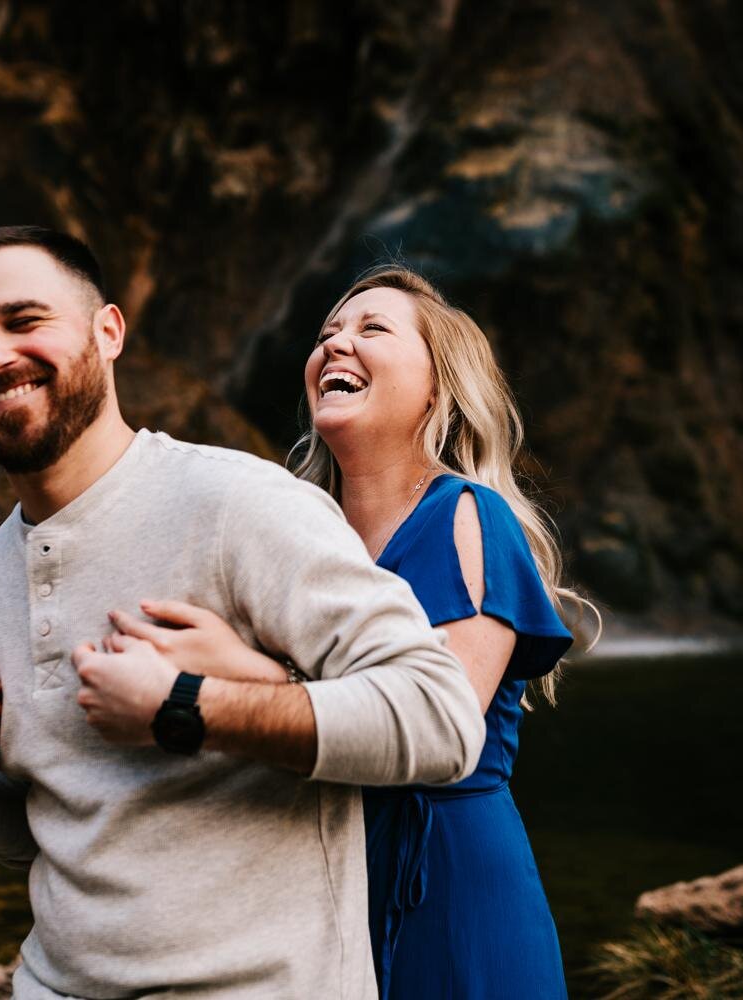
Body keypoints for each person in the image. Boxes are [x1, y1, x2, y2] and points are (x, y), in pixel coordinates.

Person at [0, 227, 486, 1000]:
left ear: (109, 332)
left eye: (23, 320)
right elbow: (64, 831)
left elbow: (443, 720)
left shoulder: (242, 505)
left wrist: (189, 708)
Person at [104, 266, 598, 998]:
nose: (337, 345)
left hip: (453, 886)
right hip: (319, 887)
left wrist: (243, 674)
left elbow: (442, 729)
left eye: (372, 330)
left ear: (438, 384)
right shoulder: (294, 534)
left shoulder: (468, 516)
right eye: (327, 334)